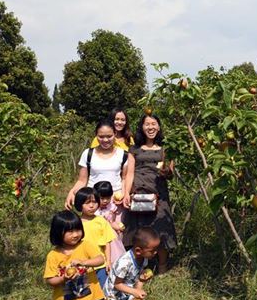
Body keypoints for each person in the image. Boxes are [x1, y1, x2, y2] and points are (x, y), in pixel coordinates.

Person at [123, 113, 177, 273]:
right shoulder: (134, 150)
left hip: (158, 193)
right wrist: (126, 192)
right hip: (138, 192)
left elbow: (170, 173)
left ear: (159, 127)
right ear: (142, 127)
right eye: (147, 124)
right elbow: (130, 173)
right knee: (137, 229)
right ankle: (136, 267)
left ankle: (162, 266)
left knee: (160, 227)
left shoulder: (165, 149)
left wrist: (166, 171)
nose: (150, 127)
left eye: (154, 124)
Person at [43, 210, 105, 300]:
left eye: (78, 230)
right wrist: (63, 279)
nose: (76, 234)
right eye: (70, 231)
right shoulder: (53, 255)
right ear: (58, 233)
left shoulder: (85, 245)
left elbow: (100, 259)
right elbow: (50, 280)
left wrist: (84, 262)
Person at [103, 227, 160, 300]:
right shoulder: (125, 263)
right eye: (152, 250)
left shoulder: (143, 258)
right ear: (139, 250)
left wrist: (141, 280)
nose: (155, 253)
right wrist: (135, 292)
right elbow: (117, 284)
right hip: (115, 299)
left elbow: (137, 280)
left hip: (129, 293)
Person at [65, 118, 130, 210]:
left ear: (115, 134)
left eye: (109, 136)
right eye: (101, 136)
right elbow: (82, 180)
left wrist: (123, 194)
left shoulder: (123, 154)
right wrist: (72, 192)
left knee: (116, 224)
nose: (105, 140)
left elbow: (124, 179)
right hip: (93, 202)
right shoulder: (88, 153)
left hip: (115, 202)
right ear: (96, 135)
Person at [74, 187, 116, 288]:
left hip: (100, 264)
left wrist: (108, 261)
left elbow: (107, 242)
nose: (92, 206)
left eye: (95, 202)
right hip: (82, 264)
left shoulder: (101, 221)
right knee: (86, 291)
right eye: (87, 203)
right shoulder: (76, 223)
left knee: (103, 289)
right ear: (80, 204)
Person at [93, 181, 126, 267]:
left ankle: (116, 265)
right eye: (102, 198)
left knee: (115, 249)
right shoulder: (94, 209)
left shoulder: (111, 207)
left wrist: (117, 226)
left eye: (108, 198)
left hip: (111, 234)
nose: (105, 201)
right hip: (99, 234)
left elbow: (112, 221)